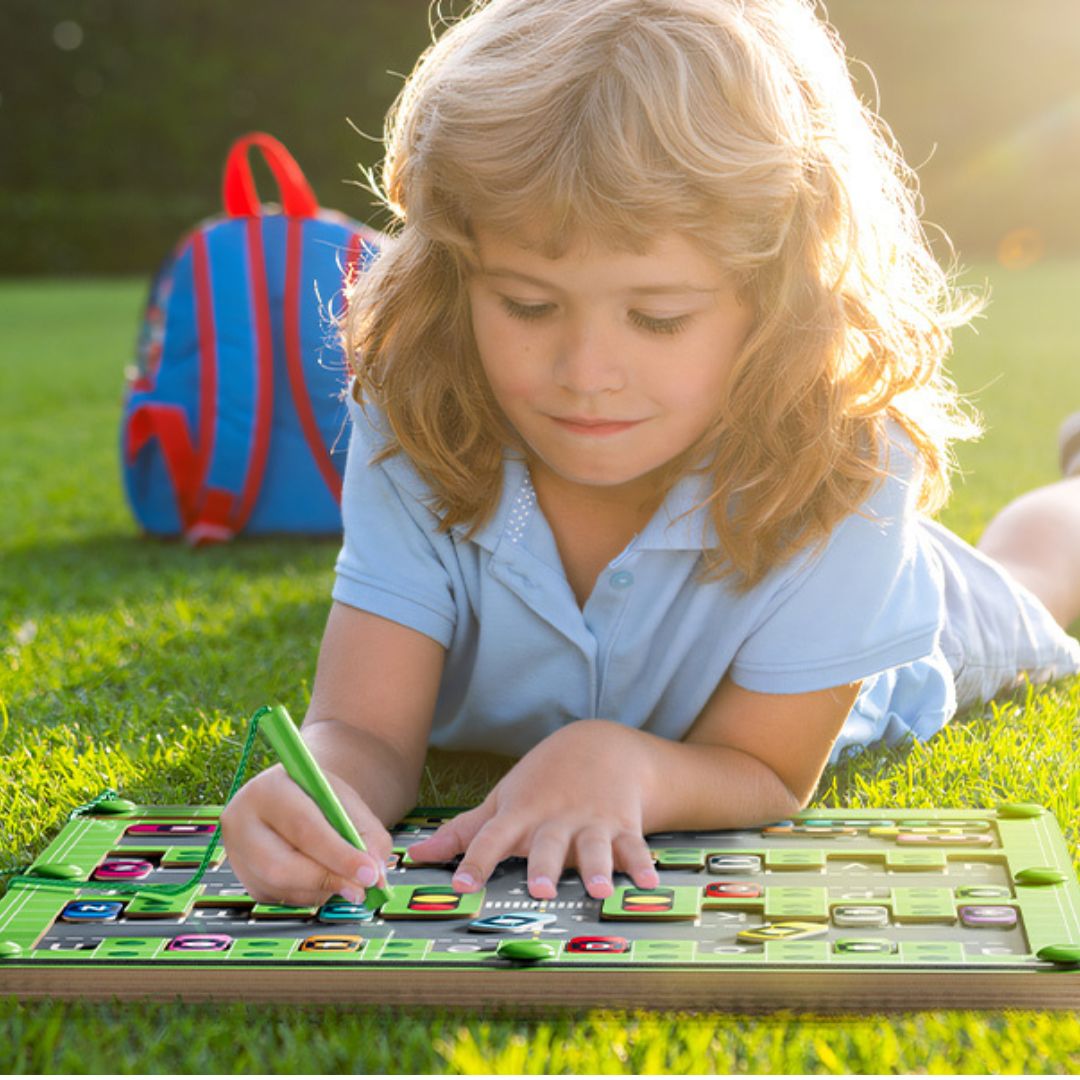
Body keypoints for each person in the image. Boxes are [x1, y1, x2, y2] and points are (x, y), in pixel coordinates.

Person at [219, 0, 1080, 909]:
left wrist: (622, 762)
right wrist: (328, 788)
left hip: (885, 636)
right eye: (527, 304)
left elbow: (766, 769)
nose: (586, 374)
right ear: (454, 273)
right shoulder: (419, 410)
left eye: (658, 317)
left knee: (1033, 576)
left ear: (777, 297)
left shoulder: (850, 465)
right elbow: (361, 727)